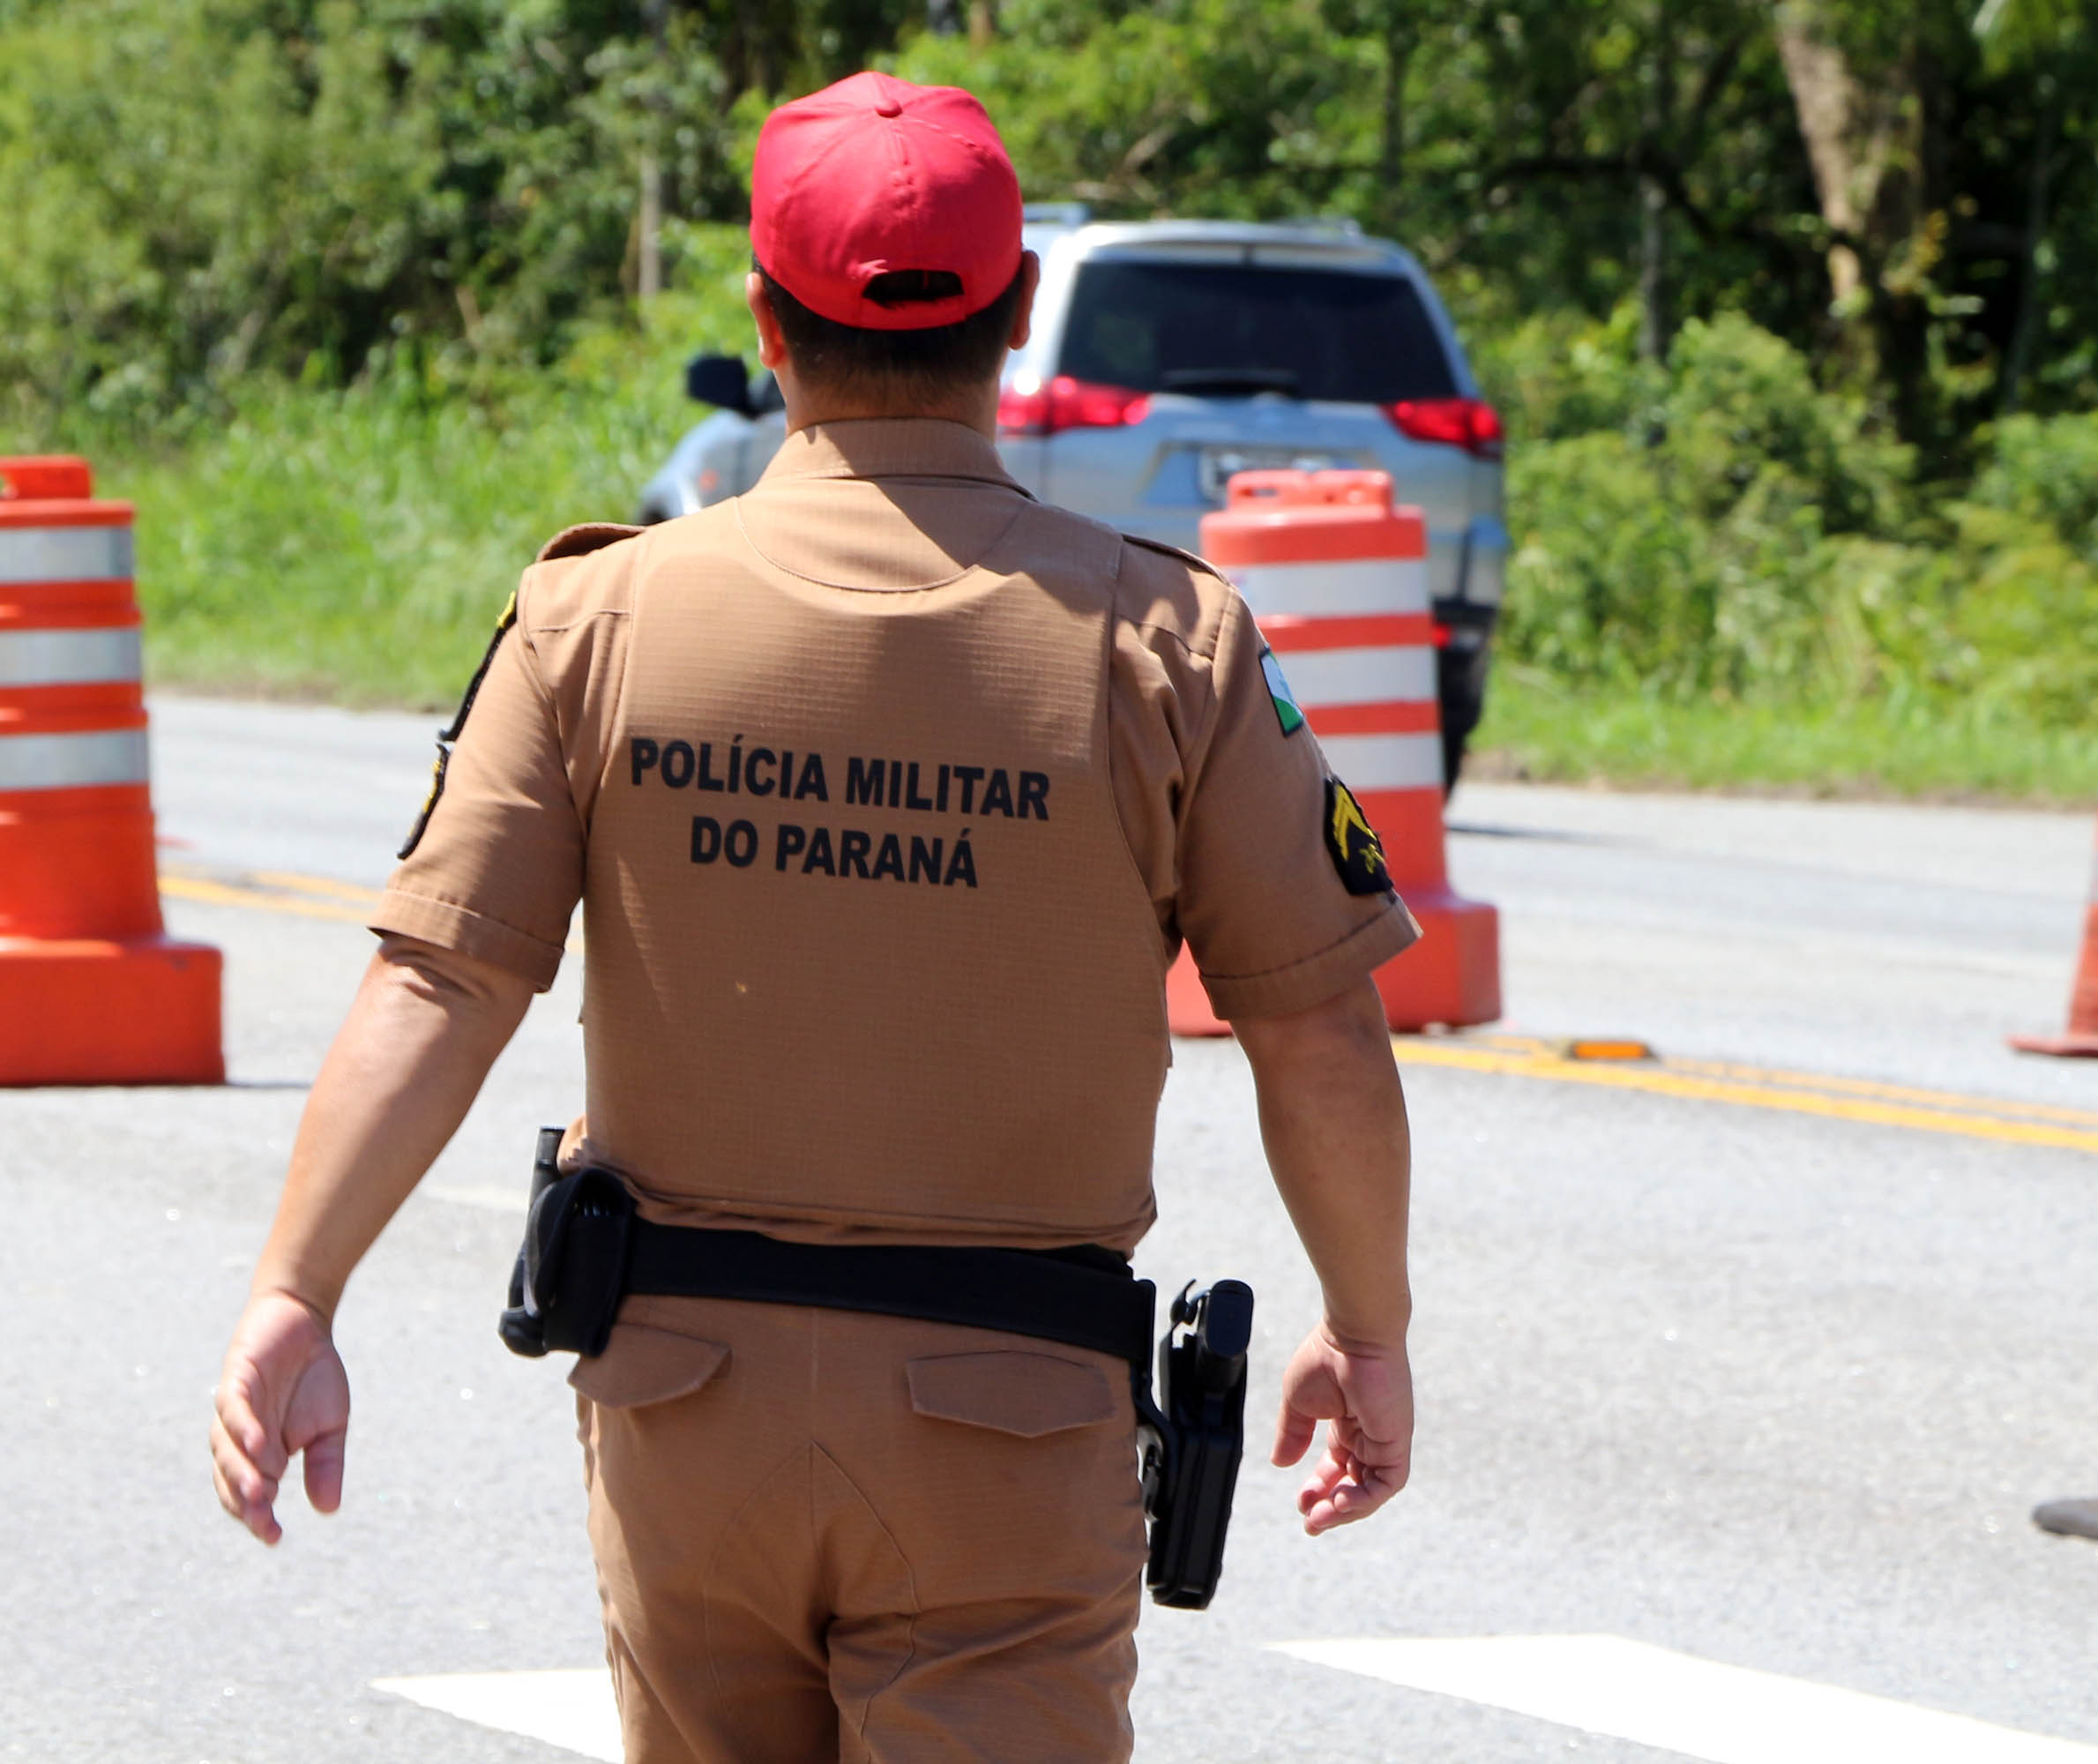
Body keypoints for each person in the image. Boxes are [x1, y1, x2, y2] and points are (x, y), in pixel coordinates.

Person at [210, 70, 1417, 1761]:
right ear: (1014, 314)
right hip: (1008, 1425)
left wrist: (298, 1291)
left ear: (764, 322)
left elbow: (441, 984)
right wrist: (1365, 1329)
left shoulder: (595, 617)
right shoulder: (1167, 643)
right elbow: (1318, 1028)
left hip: (684, 1414)